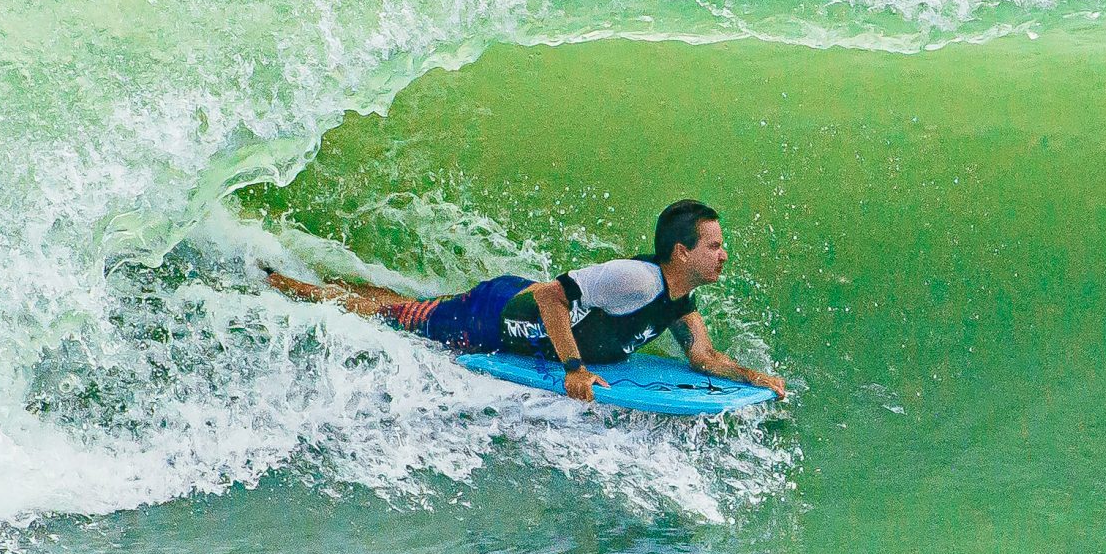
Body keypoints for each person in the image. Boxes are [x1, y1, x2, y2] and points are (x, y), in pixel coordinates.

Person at [265, 199, 788, 404]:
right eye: (714, 246)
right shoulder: (637, 280)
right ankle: (285, 285)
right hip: (493, 317)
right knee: (394, 315)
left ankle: (330, 283)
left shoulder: (679, 297)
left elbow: (703, 356)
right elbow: (551, 295)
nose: (724, 255)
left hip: (512, 307)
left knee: (404, 306)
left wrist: (754, 377)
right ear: (681, 252)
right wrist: (574, 369)